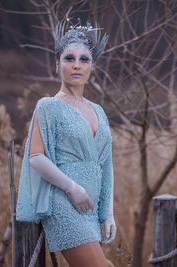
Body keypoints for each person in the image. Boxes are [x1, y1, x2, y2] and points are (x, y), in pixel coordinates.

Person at [15, 19, 115, 267]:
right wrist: (72, 188)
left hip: (90, 209)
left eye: (84, 59)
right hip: (64, 201)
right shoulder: (49, 106)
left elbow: (106, 166)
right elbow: (36, 157)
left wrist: (108, 213)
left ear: (93, 65)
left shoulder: (99, 111)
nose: (77, 65)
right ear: (57, 63)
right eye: (69, 58)